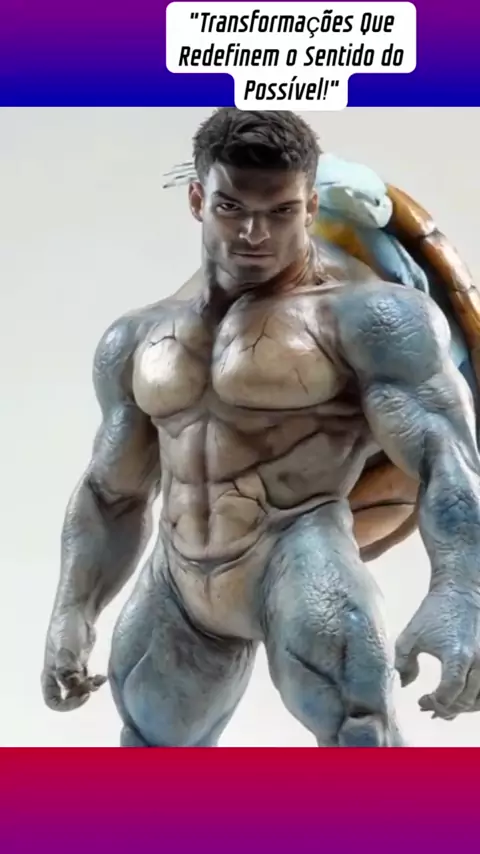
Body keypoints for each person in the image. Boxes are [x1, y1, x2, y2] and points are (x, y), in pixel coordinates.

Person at [42, 109, 480, 747]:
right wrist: (73, 611)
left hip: (297, 552)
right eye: (232, 208)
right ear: (198, 199)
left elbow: (449, 460)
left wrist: (462, 591)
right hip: (179, 576)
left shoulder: (367, 317)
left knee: (360, 737)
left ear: (310, 206)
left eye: (281, 212)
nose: (254, 233)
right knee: (146, 761)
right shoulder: (137, 337)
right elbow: (111, 493)